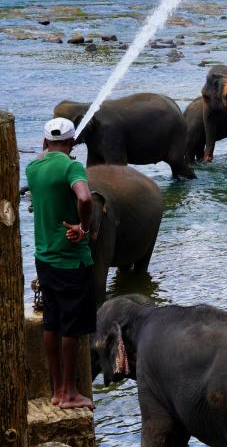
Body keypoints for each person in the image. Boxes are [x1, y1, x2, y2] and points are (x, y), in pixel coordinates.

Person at [25, 117, 96, 410]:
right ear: (72, 143)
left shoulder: (32, 168)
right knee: (71, 326)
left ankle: (56, 390)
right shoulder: (71, 166)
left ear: (44, 142)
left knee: (51, 323)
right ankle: (70, 392)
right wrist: (83, 226)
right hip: (71, 261)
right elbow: (85, 197)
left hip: (44, 258)